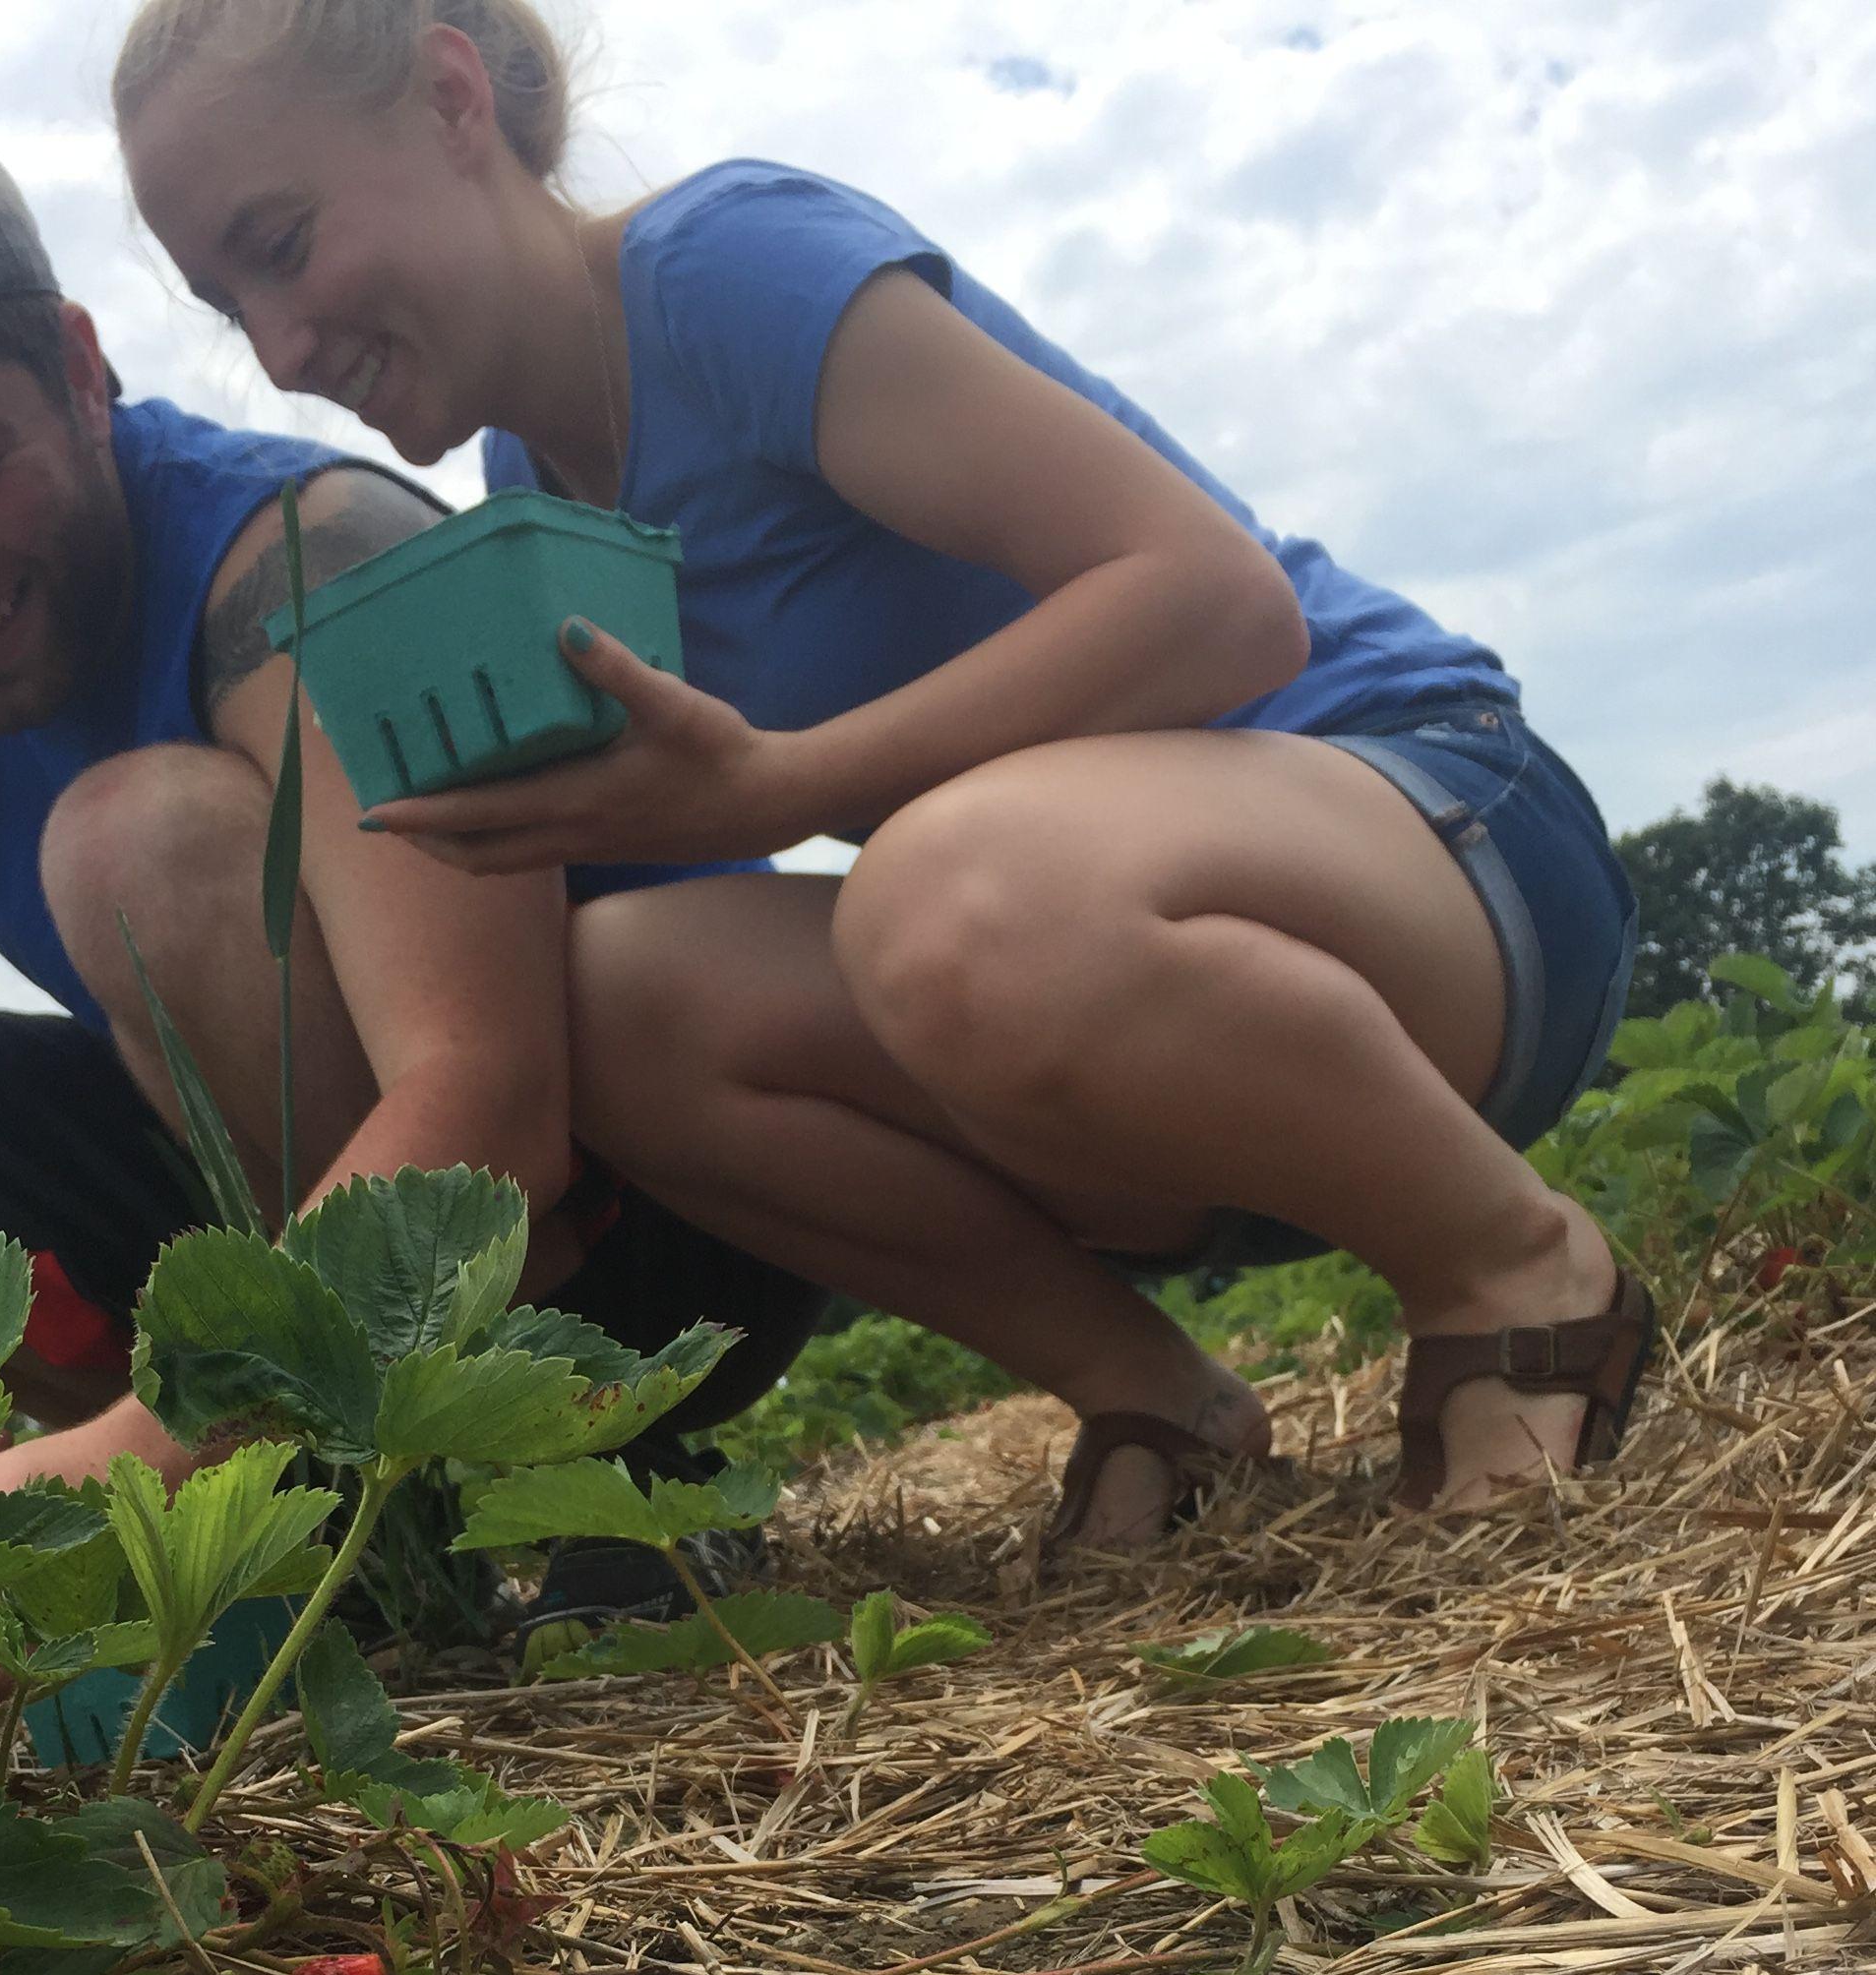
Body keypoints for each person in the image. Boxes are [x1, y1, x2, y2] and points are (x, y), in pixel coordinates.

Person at [113, 0, 1653, 1551]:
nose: (286, 348)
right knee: (614, 994)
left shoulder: (725, 269)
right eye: (230, 303)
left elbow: (1218, 599)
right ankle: (1155, 1392)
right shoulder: (535, 481)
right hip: (1156, 1029)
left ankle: (1514, 1269)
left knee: (947, 898)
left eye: (284, 242)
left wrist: (782, 787)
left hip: (1446, 841)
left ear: (452, 99)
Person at [0, 90, 820, 1721]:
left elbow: (488, 1111)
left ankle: (546, 1482)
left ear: (81, 370)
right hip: (293, 1243)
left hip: (646, 1236)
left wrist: (129, 1465)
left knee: (134, 845)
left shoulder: (310, 559)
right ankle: (254, 1546)